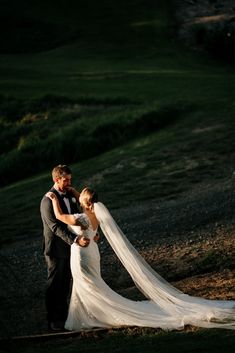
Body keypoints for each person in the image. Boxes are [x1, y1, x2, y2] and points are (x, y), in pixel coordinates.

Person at [46, 187, 235, 331]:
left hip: (82, 255)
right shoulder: (94, 215)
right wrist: (77, 193)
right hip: (92, 252)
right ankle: (89, 313)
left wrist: (54, 199)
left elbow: (60, 216)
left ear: (84, 201)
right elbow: (86, 205)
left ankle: (93, 314)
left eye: (80, 197)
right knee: (92, 283)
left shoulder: (81, 218)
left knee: (88, 285)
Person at [40, 165, 90, 331]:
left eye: (70, 178)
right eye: (66, 179)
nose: (69, 182)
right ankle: (52, 320)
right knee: (55, 284)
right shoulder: (48, 200)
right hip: (56, 249)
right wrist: (75, 239)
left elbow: (79, 215)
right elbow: (55, 227)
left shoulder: (70, 194)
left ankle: (63, 317)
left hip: (71, 247)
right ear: (56, 180)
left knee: (66, 283)